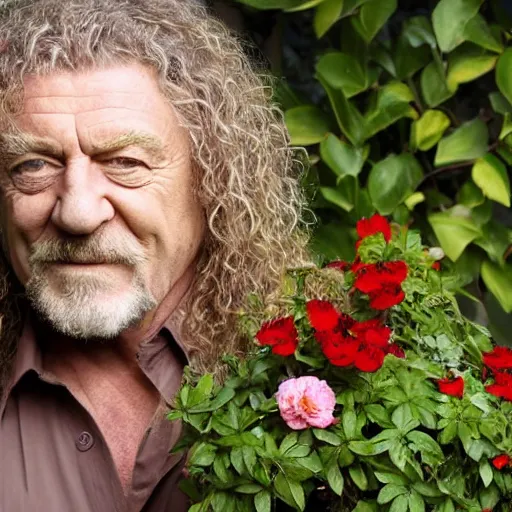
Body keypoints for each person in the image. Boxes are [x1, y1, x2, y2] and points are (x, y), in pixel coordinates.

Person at [0, 0, 305, 510]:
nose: (77, 212)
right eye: (34, 165)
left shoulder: (323, 368)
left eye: (124, 162)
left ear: (212, 179)